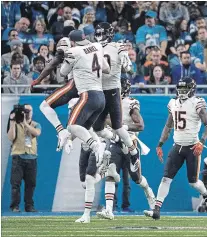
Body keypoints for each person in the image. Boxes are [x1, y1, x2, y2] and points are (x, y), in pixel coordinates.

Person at [144, 77, 207, 220]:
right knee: (166, 178)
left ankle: (206, 196)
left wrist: (201, 142)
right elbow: (168, 126)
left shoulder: (197, 103)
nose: (182, 92)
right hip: (177, 146)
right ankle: (157, 209)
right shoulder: (173, 103)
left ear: (191, 89)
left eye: (185, 89)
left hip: (192, 147)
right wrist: (160, 144)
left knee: (193, 182)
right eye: (180, 89)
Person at [97, 79, 155, 220]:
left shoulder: (130, 103)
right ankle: (109, 210)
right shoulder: (107, 101)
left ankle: (151, 197)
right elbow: (103, 120)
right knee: (110, 173)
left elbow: (140, 126)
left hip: (130, 143)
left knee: (136, 178)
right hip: (115, 142)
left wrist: (124, 128)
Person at [93, 22, 140, 172]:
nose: (100, 37)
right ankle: (117, 139)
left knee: (118, 126)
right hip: (98, 90)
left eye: (102, 33)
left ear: (110, 34)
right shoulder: (93, 48)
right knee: (98, 129)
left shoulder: (117, 46)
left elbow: (128, 66)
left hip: (113, 90)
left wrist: (126, 61)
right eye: (98, 34)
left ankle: (133, 152)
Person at [60, 30, 110, 159]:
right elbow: (107, 69)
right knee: (84, 128)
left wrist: (65, 55)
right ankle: (99, 149)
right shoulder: (97, 47)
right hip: (101, 97)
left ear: (72, 41)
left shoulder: (74, 52)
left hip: (88, 95)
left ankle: (96, 146)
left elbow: (62, 73)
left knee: (71, 126)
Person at [7, 104, 41, 212]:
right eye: (25, 111)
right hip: (18, 157)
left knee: (31, 184)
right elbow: (11, 138)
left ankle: (29, 206)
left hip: (32, 157)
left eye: (28, 111)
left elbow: (36, 133)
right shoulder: (15, 124)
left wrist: (25, 123)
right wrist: (12, 122)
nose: (26, 113)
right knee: (15, 184)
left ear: (32, 113)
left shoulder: (36, 124)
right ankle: (15, 206)